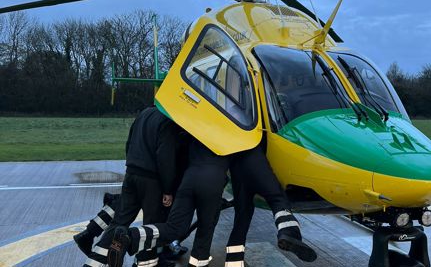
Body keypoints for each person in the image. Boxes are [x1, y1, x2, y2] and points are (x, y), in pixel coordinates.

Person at [107, 143, 317, 267]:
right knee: (205, 234)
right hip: (212, 183)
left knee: (174, 228)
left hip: (188, 181)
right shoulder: (235, 134)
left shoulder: (198, 133)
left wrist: (169, 187)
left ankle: (130, 236)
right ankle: (289, 232)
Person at [83, 106, 189, 267]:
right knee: (150, 227)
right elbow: (164, 156)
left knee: (119, 221)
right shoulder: (168, 121)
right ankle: (145, 263)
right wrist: (168, 189)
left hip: (131, 173)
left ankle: (94, 263)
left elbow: (129, 143)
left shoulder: (145, 113)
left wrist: (132, 166)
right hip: (152, 180)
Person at [225, 145, 317, 266]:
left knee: (241, 220)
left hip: (237, 172)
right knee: (277, 199)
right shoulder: (252, 135)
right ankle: (289, 232)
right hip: (256, 163)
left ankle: (233, 262)